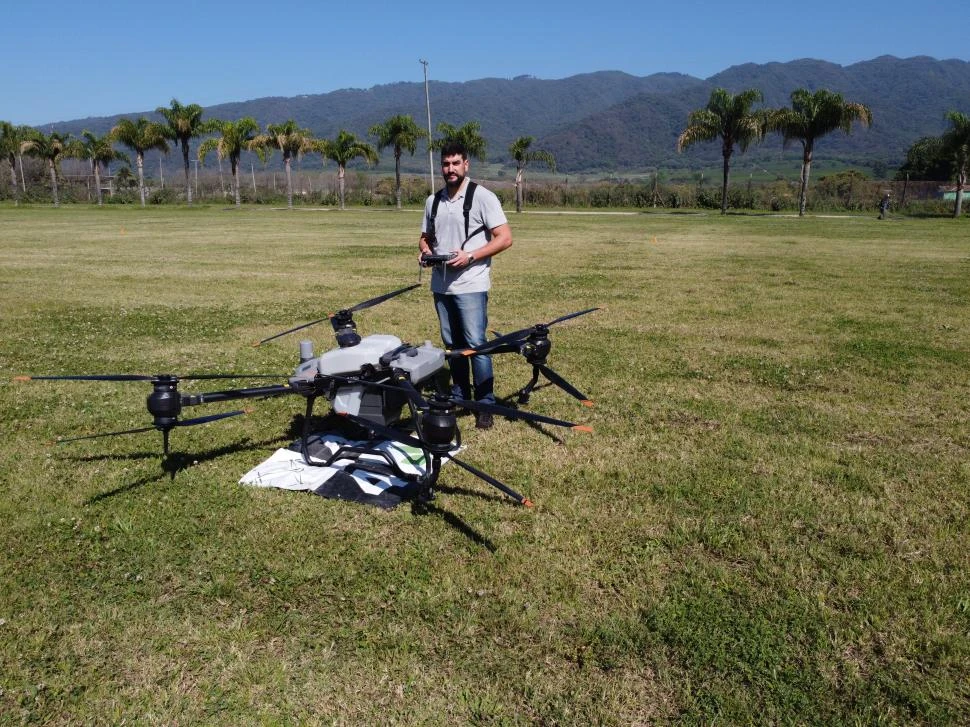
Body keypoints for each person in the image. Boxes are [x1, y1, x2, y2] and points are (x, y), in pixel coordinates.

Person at [418, 141, 512, 429]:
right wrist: (425, 253)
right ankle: (460, 394)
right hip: (441, 286)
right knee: (452, 344)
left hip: (471, 284)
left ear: (466, 164)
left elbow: (504, 238)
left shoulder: (483, 197)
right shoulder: (433, 201)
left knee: (476, 345)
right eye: (446, 164)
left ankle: (485, 403)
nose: (450, 169)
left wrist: (470, 255)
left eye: (456, 163)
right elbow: (425, 237)